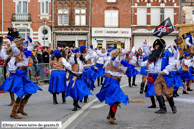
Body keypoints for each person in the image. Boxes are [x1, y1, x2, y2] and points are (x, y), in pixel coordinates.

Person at [0, 36, 42, 119]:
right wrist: (11, 41)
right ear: (20, 45)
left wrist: (31, 41)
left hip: (23, 74)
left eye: (26, 44)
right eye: (24, 44)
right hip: (18, 75)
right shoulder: (17, 53)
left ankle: (20, 108)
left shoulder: (26, 52)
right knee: (20, 93)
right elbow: (14, 48)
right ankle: (13, 112)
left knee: (30, 91)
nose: (25, 45)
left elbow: (30, 47)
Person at [96, 49, 129, 125]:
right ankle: (111, 117)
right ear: (117, 56)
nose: (122, 56)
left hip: (113, 82)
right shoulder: (115, 62)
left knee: (114, 98)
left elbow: (122, 70)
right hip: (113, 82)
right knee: (116, 99)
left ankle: (110, 114)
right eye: (120, 55)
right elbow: (116, 63)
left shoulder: (113, 62)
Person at [148, 39, 177, 114]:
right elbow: (152, 65)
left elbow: (172, 64)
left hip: (166, 76)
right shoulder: (154, 55)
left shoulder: (168, 53)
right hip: (158, 76)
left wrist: (166, 70)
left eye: (158, 46)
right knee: (157, 92)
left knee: (168, 93)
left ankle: (173, 107)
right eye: (155, 46)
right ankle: (162, 108)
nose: (156, 48)